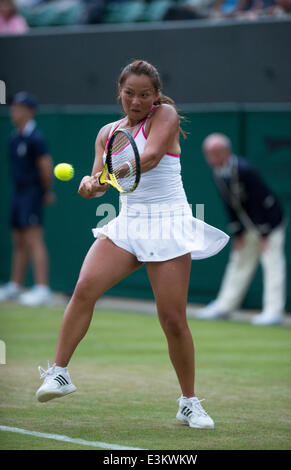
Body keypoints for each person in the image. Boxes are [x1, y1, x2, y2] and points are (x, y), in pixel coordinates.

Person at [35, 60, 229, 429]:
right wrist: (91, 186)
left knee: (172, 320)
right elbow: (101, 183)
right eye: (129, 93)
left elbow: (151, 157)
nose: (136, 101)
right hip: (128, 223)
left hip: (168, 222)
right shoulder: (107, 132)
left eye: (144, 95)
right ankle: (59, 373)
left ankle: (189, 402)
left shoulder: (166, 115)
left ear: (156, 96)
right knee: (84, 289)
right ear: (119, 92)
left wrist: (106, 175)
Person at [195, 133, 286, 326]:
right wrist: (238, 233)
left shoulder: (245, 170)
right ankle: (224, 307)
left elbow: (260, 201)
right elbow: (230, 205)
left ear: (226, 152)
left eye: (217, 153)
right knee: (238, 262)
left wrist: (264, 233)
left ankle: (273, 312)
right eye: (209, 154)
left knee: (272, 263)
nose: (212, 158)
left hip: (270, 222)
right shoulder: (217, 172)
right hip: (247, 226)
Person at [0, 92, 54, 306]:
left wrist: (45, 191)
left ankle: (42, 288)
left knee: (33, 239)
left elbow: (45, 166)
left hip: (32, 192)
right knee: (19, 240)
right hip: (18, 192)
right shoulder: (13, 139)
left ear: (30, 112)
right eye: (13, 107)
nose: (14, 111)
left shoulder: (36, 138)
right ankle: (15, 285)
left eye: (19, 107)